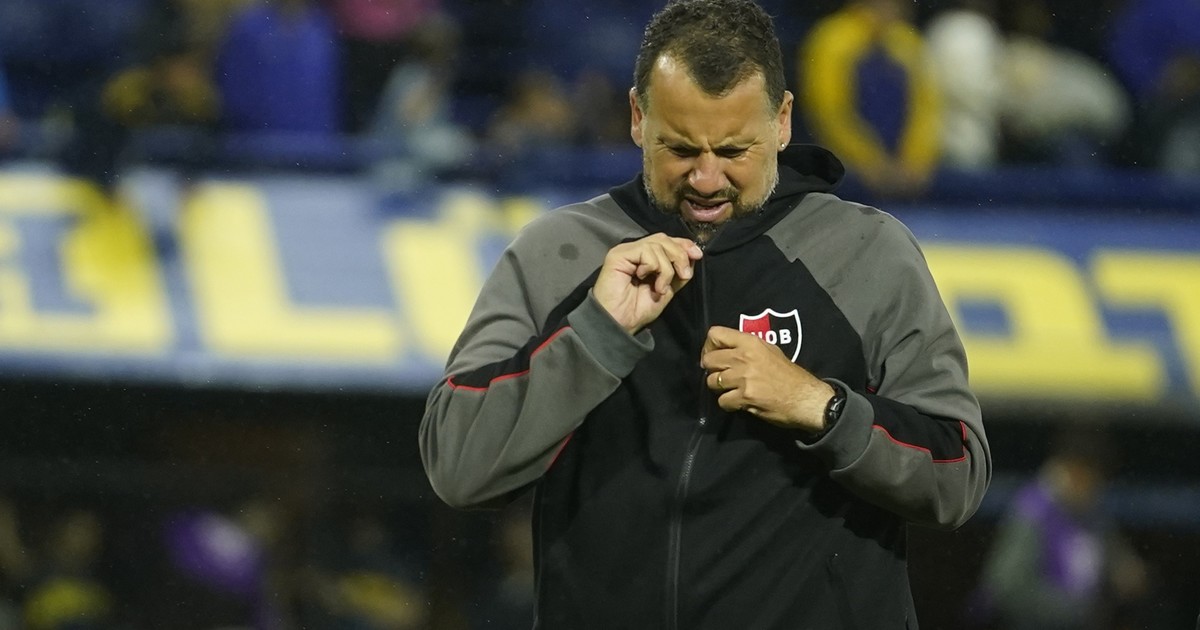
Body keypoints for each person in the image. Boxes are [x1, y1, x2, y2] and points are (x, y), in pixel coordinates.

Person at [420, 1, 990, 627]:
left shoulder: (868, 254)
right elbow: (458, 466)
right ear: (638, 117)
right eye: (681, 148)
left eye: (735, 150)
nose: (707, 179)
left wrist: (821, 406)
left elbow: (956, 477)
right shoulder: (558, 253)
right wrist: (594, 337)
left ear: (782, 121)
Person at [972, 428, 1149, 630]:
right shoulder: (1034, 510)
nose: (1094, 489)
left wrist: (1124, 571)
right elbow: (1006, 587)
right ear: (1072, 470)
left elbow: (1115, 559)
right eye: (1089, 478)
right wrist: (1070, 610)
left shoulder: (1091, 511)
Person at [797, 0, 943, 200]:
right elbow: (829, 112)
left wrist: (916, 161)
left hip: (902, 171)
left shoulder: (908, 42)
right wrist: (870, 162)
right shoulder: (832, 38)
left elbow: (926, 109)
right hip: (850, 170)